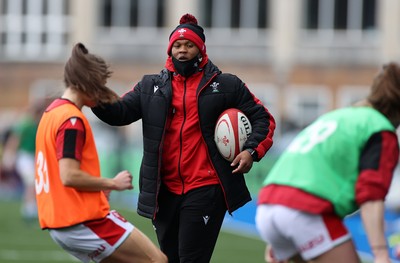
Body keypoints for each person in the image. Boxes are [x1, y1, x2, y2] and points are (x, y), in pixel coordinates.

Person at [92, 13, 276, 263]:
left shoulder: (226, 85)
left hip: (205, 189)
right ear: (169, 51)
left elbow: (263, 118)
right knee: (168, 259)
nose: (182, 50)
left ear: (200, 49)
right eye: (177, 46)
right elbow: (119, 112)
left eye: (189, 45)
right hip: (163, 191)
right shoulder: (150, 86)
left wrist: (251, 151)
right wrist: (92, 93)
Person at [35, 43, 167, 263]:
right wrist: (111, 183)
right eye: (100, 84)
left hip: (59, 223)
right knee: (157, 260)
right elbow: (68, 176)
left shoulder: (52, 113)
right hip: (82, 221)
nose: (102, 92)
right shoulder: (71, 120)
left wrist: (96, 191)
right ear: (87, 82)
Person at [255, 63, 400, 263]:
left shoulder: (339, 116)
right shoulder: (379, 129)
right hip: (305, 211)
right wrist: (381, 253)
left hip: (268, 207)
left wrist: (279, 230)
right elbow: (371, 196)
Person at [2, 102, 43, 222]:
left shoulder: (36, 125)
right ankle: (29, 209)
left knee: (35, 182)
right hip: (24, 156)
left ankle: (30, 207)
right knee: (31, 182)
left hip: (32, 156)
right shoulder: (25, 125)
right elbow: (15, 140)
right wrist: (9, 156)